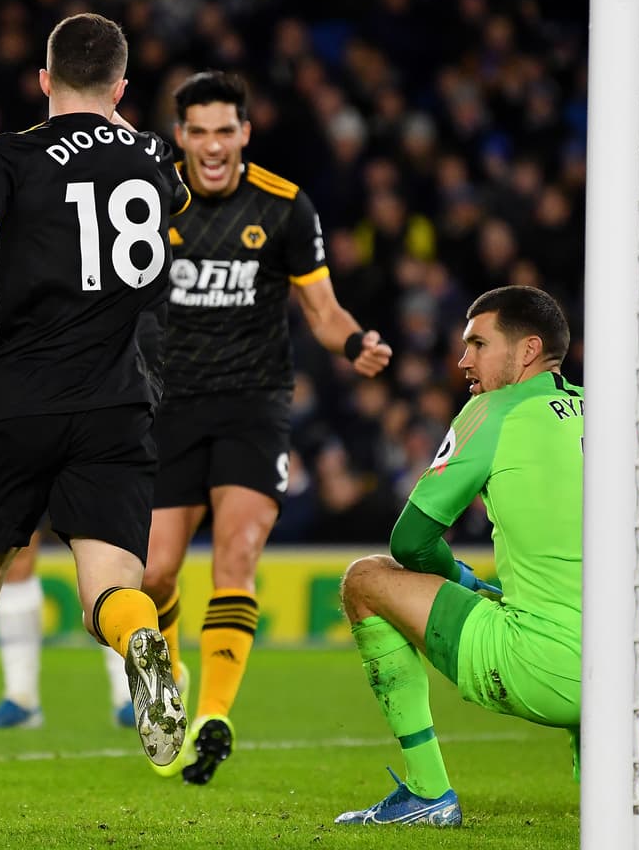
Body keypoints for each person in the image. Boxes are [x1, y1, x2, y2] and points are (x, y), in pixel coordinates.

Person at [0, 13, 192, 826]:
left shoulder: (5, 154)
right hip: (120, 403)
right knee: (111, 590)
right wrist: (118, 118)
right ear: (122, 88)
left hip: (18, 401)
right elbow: (136, 154)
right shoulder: (156, 157)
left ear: (42, 80)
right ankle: (139, 645)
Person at [334, 285, 639, 826]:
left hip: (543, 671)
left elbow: (409, 542)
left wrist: (464, 580)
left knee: (365, 580)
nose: (462, 360)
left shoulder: (489, 412)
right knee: (631, 804)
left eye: (477, 343)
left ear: (526, 351)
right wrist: (638, 654)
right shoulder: (628, 421)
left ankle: (429, 793)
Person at [145, 71, 392, 785]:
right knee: (155, 570)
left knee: (238, 553)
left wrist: (354, 344)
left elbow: (322, 310)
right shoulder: (154, 204)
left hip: (255, 404)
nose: (214, 145)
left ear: (245, 133)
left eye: (227, 130)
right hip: (170, 407)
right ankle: (166, 682)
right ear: (180, 136)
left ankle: (213, 715)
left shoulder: (285, 207)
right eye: (199, 131)